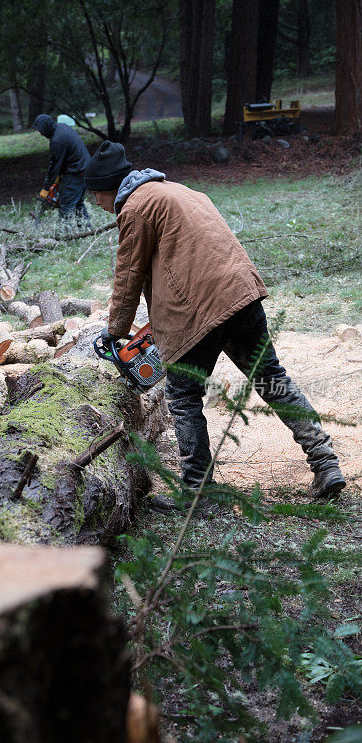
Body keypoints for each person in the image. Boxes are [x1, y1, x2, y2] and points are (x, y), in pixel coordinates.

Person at [84, 140, 346, 507]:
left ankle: (196, 494)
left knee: (184, 397)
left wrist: (115, 331)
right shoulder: (179, 191)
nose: (95, 201)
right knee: (270, 377)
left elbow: (129, 272)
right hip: (241, 294)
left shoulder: (136, 208)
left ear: (108, 187)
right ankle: (325, 462)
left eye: (94, 192)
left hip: (200, 308)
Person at [32, 114, 91, 227]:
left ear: (46, 128)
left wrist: (46, 188)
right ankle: (86, 229)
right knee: (78, 202)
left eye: (41, 131)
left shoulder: (57, 140)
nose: (40, 134)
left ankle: (65, 234)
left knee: (65, 204)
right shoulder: (61, 127)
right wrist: (57, 179)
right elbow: (61, 160)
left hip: (77, 171)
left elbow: (55, 165)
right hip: (84, 167)